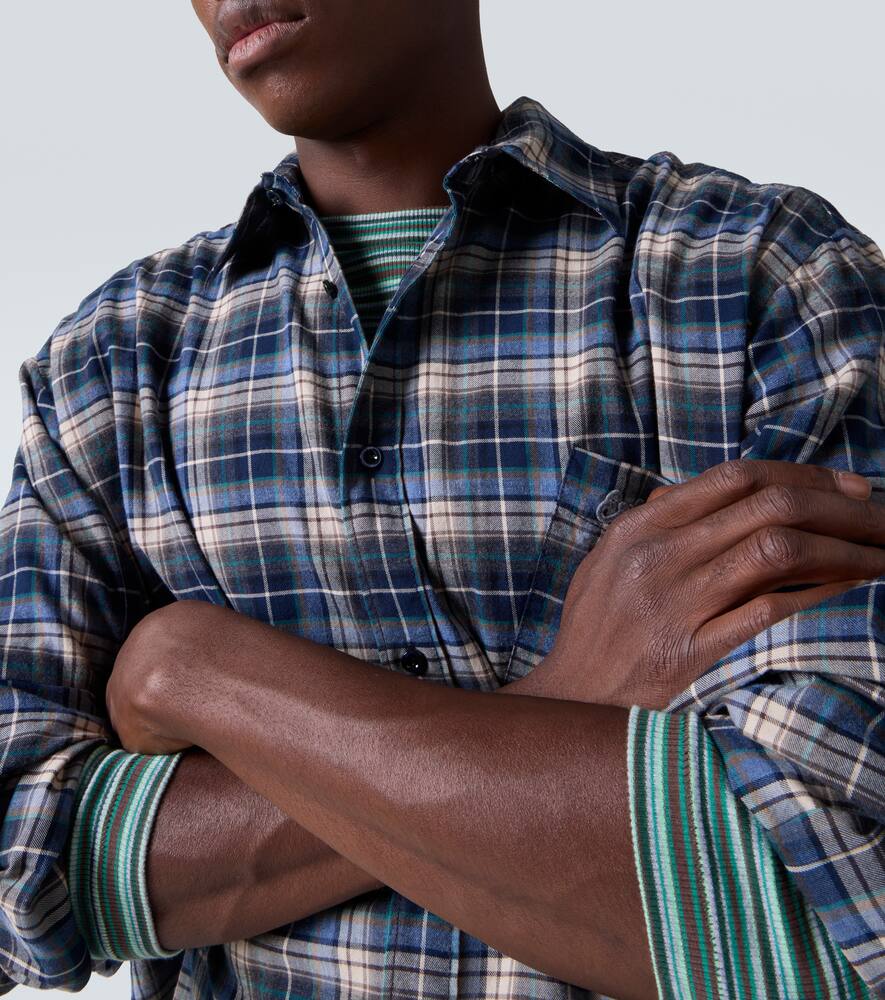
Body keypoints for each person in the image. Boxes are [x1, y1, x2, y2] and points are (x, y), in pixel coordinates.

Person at [1, 1, 883, 998]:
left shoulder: (762, 282)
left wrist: (202, 675)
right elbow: (18, 870)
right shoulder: (112, 367)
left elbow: (837, 904)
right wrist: (563, 698)